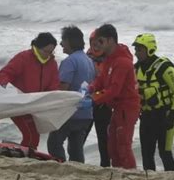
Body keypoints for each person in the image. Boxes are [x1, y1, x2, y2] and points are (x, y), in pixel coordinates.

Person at [88, 24, 140, 169]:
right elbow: (102, 79)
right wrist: (91, 87)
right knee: (112, 147)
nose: (98, 45)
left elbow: (113, 90)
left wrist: (94, 98)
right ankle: (118, 174)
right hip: (117, 108)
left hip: (126, 108)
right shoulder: (109, 59)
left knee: (123, 146)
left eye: (101, 41)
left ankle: (131, 174)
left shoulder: (122, 62)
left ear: (110, 40)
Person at [0, 32, 60, 149]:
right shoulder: (24, 58)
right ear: (38, 47)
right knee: (31, 134)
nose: (48, 55)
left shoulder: (52, 64)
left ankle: (26, 153)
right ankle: (27, 155)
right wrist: (8, 88)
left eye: (51, 52)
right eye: (46, 51)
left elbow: (53, 86)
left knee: (34, 134)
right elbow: (4, 74)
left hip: (36, 106)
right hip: (18, 104)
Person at [133, 33, 174, 171]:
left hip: (165, 116)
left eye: (139, 49)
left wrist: (173, 115)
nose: (136, 53)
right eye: (136, 49)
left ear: (150, 49)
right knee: (147, 155)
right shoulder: (136, 68)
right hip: (147, 117)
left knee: (165, 153)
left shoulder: (164, 67)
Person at [47, 26, 95, 163]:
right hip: (86, 113)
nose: (61, 44)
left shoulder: (70, 61)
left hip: (70, 112)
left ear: (70, 41)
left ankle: (59, 166)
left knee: (54, 143)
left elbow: (63, 88)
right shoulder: (89, 61)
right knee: (76, 148)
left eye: (63, 40)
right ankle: (78, 169)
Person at [86, 29, 112, 167]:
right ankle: (75, 164)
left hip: (104, 105)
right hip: (87, 104)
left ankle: (106, 167)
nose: (96, 45)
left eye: (99, 42)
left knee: (104, 140)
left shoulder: (111, 60)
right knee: (79, 138)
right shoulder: (86, 58)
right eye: (93, 42)